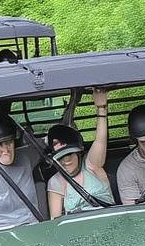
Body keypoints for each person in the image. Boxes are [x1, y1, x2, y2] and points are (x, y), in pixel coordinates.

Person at [46, 89, 112, 218]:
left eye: (69, 155)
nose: (66, 161)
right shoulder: (56, 181)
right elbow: (55, 221)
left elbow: (100, 141)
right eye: (60, 158)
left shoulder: (92, 166)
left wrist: (101, 109)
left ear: (78, 153)